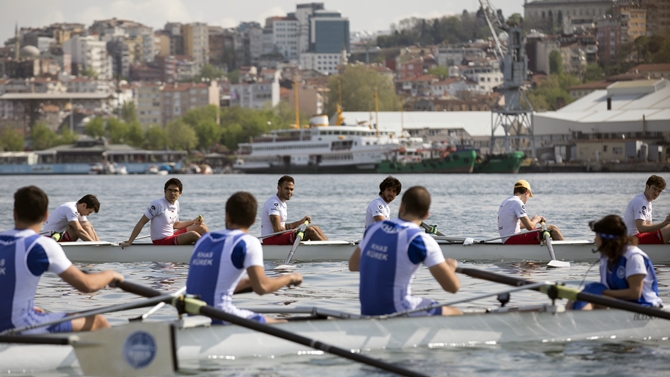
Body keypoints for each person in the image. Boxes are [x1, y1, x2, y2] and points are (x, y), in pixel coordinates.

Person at [0, 186, 124, 334]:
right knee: (98, 321)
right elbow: (87, 286)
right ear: (46, 216)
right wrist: (111, 275)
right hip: (19, 323)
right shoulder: (43, 246)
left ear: (14, 214)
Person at [186, 192, 303, 323]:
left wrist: (249, 283)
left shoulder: (204, 239)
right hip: (220, 317)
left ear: (227, 216)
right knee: (282, 322)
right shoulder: (248, 242)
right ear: (253, 221)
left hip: (192, 315)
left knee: (249, 284)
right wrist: (289, 278)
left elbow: (213, 283)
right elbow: (262, 288)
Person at [349, 186, 461, 316]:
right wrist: (450, 269)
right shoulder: (421, 240)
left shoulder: (373, 230)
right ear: (426, 215)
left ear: (401, 206)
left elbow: (353, 265)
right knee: (455, 312)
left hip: (368, 310)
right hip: (397, 310)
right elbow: (453, 287)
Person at [569, 214, 662, 310]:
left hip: (645, 305)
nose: (595, 239)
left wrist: (598, 292)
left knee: (592, 299)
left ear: (606, 239)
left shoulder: (633, 256)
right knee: (573, 299)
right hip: (622, 304)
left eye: (597, 236)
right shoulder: (605, 257)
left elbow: (635, 293)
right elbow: (608, 290)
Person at [120, 178, 208, 248]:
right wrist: (130, 241)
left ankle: (213, 246)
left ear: (180, 193)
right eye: (169, 190)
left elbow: (175, 225)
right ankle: (208, 252)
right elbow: (141, 222)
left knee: (201, 227)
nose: (172, 193)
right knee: (193, 235)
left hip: (171, 236)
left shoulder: (176, 204)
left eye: (175, 191)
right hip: (161, 241)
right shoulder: (157, 204)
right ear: (164, 191)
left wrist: (193, 221)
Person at [261, 175, 327, 245]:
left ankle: (330, 247)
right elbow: (277, 230)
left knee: (315, 228)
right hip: (270, 239)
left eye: (291, 189)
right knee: (309, 231)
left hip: (278, 237)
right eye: (286, 188)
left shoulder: (283, 204)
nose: (289, 191)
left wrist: (301, 222)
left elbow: (284, 227)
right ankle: (330, 252)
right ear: (279, 188)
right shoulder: (273, 203)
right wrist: (293, 231)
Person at [497, 179, 564, 244]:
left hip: (507, 240)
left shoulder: (506, 202)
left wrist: (531, 220)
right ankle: (566, 250)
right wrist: (536, 220)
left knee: (544, 230)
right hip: (513, 239)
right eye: (529, 195)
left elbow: (517, 225)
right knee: (552, 229)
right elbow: (530, 227)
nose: (528, 199)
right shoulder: (517, 202)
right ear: (526, 192)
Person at [623, 175, 670, 244]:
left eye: (659, 191)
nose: (656, 193)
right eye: (654, 189)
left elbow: (649, 228)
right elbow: (641, 228)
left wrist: (666, 223)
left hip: (639, 236)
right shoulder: (640, 201)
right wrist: (664, 224)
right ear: (647, 187)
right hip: (634, 239)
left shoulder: (648, 203)